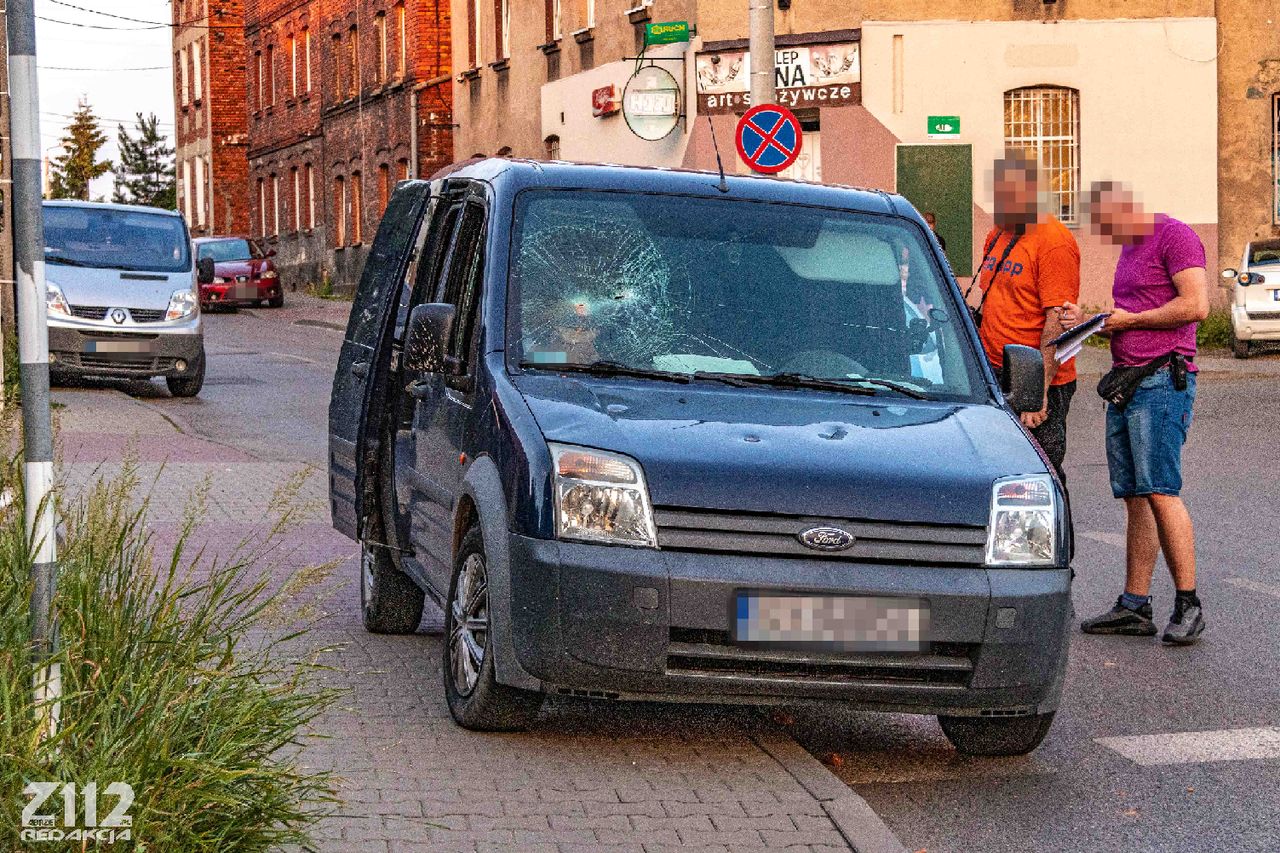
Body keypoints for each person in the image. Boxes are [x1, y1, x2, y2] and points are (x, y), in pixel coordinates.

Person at [1064, 181, 1209, 645]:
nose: (1104, 231)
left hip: (1163, 379)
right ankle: (1135, 604)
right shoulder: (1130, 249)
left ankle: (1189, 603)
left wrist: (1130, 321)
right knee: (1136, 495)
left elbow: (1196, 306)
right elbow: (1138, 314)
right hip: (1128, 381)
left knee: (1162, 490)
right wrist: (1097, 325)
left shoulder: (1174, 235)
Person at [969, 149, 1081, 481]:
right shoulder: (999, 234)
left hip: (1034, 376)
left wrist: (1039, 389)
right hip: (994, 370)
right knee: (995, 471)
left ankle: (1057, 532)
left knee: (1039, 474)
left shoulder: (1054, 241)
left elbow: (1057, 321)